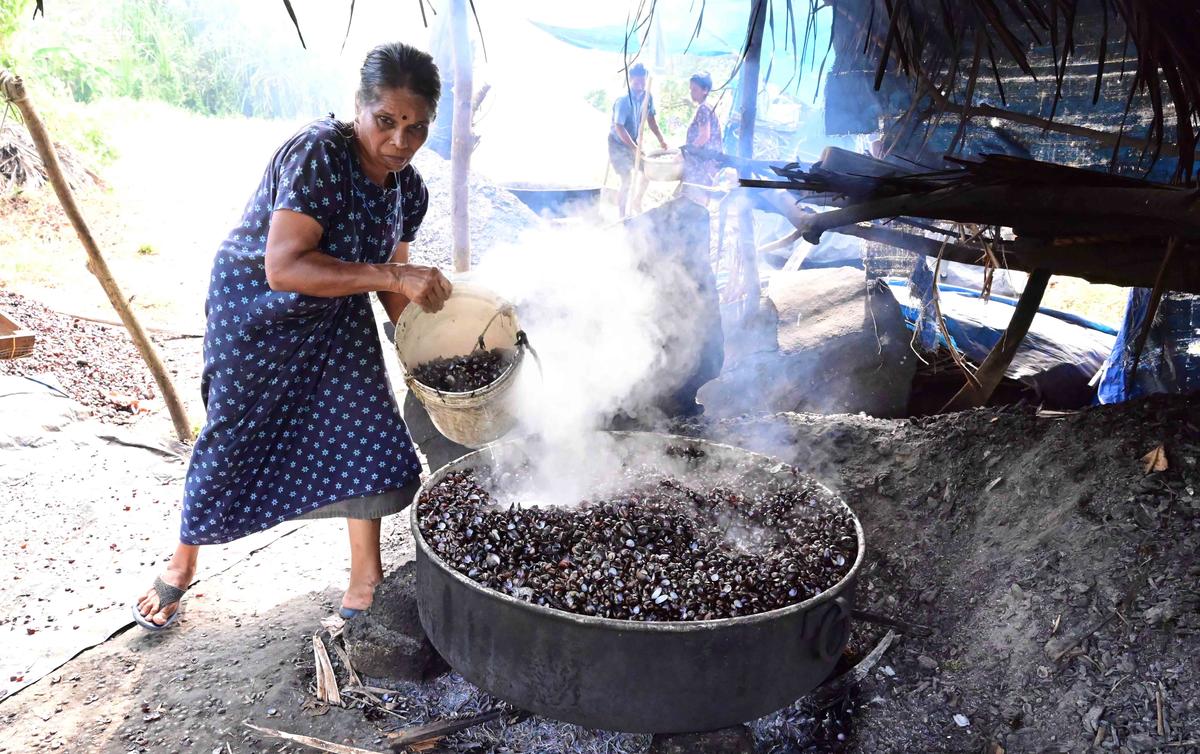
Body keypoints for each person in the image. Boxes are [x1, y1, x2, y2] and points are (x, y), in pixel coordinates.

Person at [132, 42, 454, 630]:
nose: (400, 142)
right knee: (234, 433)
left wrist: (432, 346)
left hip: (333, 312)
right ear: (359, 106)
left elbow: (392, 281)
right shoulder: (318, 153)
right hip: (259, 309)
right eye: (386, 121)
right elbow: (284, 267)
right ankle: (182, 564)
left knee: (366, 430)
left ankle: (365, 578)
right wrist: (393, 275)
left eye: (417, 128)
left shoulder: (409, 190)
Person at [608, 62, 667, 218]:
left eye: (643, 81)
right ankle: (622, 216)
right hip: (617, 143)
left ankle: (637, 201)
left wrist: (661, 139)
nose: (640, 85)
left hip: (633, 142)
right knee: (626, 180)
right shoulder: (623, 101)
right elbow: (619, 127)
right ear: (630, 79)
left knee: (647, 170)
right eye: (636, 81)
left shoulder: (648, 97)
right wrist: (634, 147)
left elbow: (651, 120)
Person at [681, 71, 720, 206]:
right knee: (702, 194)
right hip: (708, 160)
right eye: (691, 89)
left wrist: (687, 151)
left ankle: (699, 221)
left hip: (703, 161)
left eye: (695, 89)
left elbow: (704, 136)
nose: (692, 92)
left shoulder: (703, 109)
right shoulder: (707, 107)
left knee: (699, 195)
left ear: (705, 90)